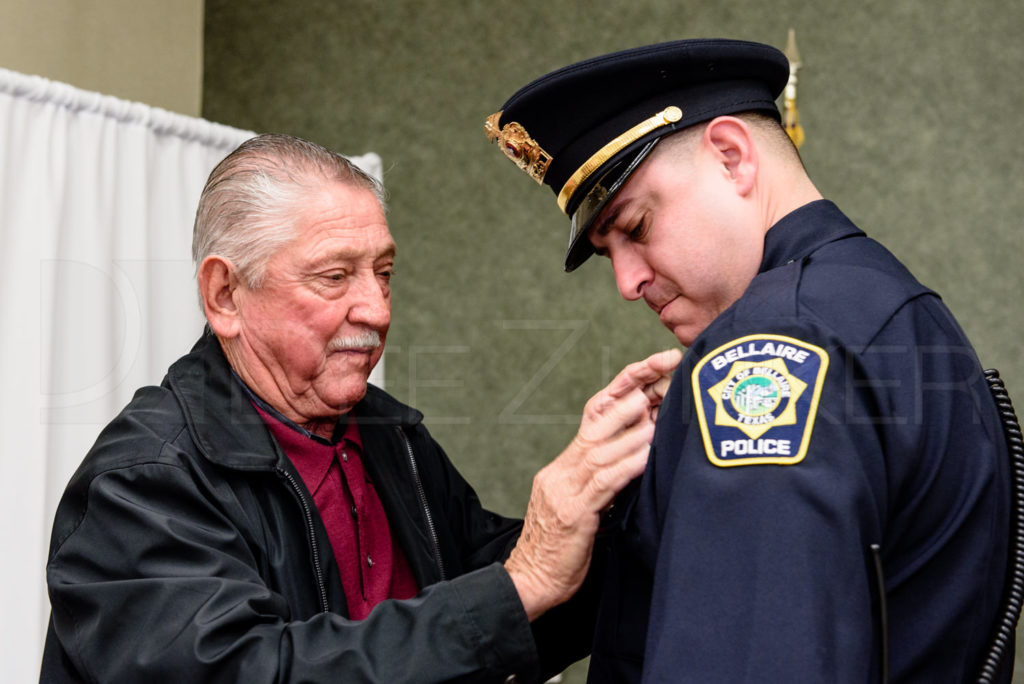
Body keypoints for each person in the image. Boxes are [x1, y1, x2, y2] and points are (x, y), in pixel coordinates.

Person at [41, 133, 682, 683]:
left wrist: (634, 488)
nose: (376, 308)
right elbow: (251, 670)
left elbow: (493, 606)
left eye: (384, 272)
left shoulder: (386, 434)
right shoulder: (141, 482)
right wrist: (521, 584)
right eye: (334, 276)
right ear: (226, 295)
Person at [483, 38, 1011, 682]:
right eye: (606, 251)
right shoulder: (887, 303)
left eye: (637, 227)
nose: (626, 281)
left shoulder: (769, 352)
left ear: (732, 157)